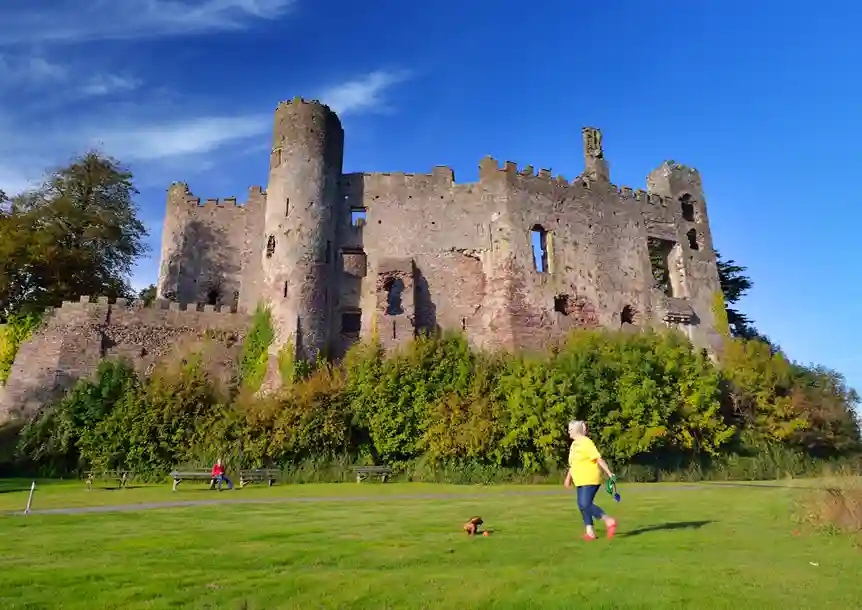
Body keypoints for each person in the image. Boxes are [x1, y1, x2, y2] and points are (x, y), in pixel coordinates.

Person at [564, 420, 617, 541]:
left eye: (570, 430)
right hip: (580, 480)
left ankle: (609, 520)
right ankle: (590, 532)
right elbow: (573, 464)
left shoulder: (586, 442)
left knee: (585, 504)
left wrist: (609, 473)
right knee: (582, 506)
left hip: (590, 478)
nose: (568, 432)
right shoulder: (574, 445)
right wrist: (568, 478)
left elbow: (598, 458)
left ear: (577, 430)